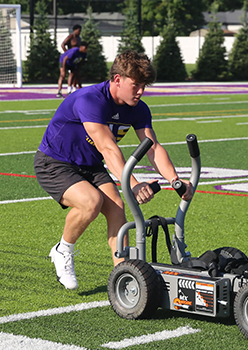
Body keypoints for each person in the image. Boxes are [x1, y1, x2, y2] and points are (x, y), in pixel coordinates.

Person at [34, 50, 193, 290]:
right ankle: (62, 250)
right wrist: (133, 184)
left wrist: (175, 180)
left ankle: (123, 275)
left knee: (118, 209)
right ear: (117, 80)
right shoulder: (90, 99)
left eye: (144, 86)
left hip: (90, 165)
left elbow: (152, 148)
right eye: (136, 85)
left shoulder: (138, 108)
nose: (141, 91)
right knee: (91, 202)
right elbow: (108, 148)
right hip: (55, 162)